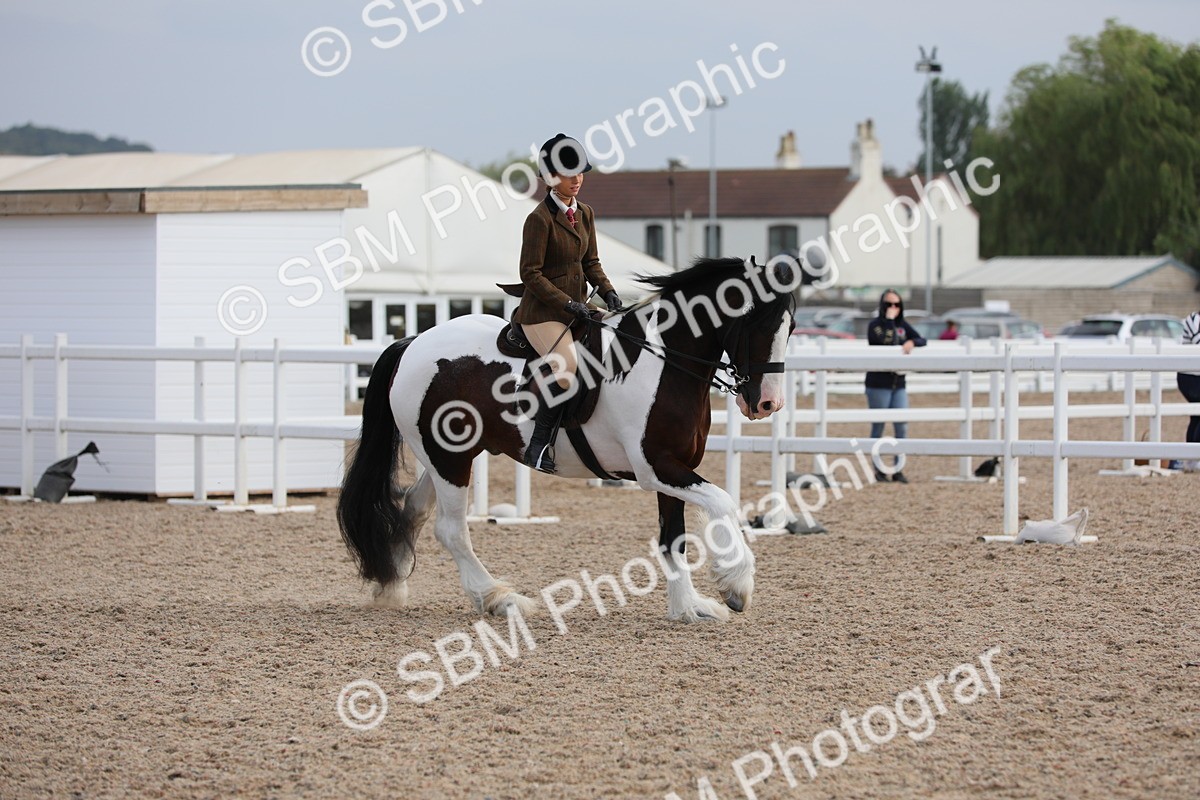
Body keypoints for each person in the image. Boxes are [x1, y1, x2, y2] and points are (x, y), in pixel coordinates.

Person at [511, 134, 621, 474]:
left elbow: (592, 263)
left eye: (580, 173)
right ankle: (538, 445)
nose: (576, 180)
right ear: (549, 178)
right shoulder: (539, 219)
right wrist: (567, 303)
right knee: (567, 367)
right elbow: (530, 273)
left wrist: (608, 291)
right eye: (567, 174)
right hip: (542, 313)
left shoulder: (585, 213)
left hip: (579, 309)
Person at [865, 289, 926, 483]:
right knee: (878, 427)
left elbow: (922, 339)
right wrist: (890, 321)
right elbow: (886, 341)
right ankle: (879, 469)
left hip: (898, 383)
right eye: (889, 304)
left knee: (902, 427)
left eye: (897, 305)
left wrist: (911, 342)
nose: (893, 308)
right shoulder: (875, 325)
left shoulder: (903, 325)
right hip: (878, 384)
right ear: (882, 306)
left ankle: (898, 468)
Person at [1174, 307, 1200, 470]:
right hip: (1191, 375)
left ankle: (1192, 458)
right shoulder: (1194, 319)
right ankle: (1195, 457)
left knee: (1196, 416)